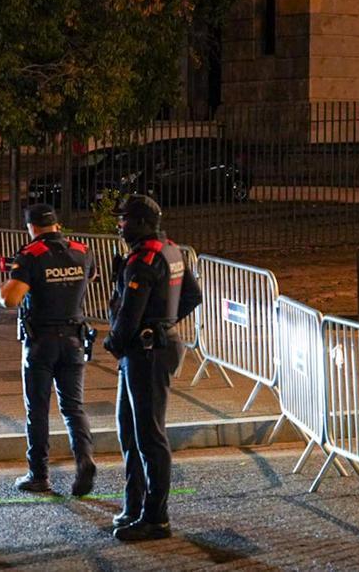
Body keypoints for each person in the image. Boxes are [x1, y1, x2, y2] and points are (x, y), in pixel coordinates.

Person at [104, 194, 201, 542]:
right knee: (129, 431)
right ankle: (135, 507)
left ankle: (156, 518)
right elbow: (193, 296)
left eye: (125, 220)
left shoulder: (144, 259)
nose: (120, 225)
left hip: (145, 352)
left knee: (148, 436)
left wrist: (115, 341)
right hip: (151, 346)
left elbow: (130, 313)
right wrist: (165, 322)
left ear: (142, 222)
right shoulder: (170, 250)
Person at [0, 203, 97, 497]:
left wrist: (0, 292)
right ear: (57, 224)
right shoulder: (83, 250)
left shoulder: (30, 255)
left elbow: (12, 299)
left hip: (41, 342)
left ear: (31, 227)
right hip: (75, 339)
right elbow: (88, 279)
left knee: (37, 410)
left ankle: (39, 475)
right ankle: (85, 459)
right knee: (73, 407)